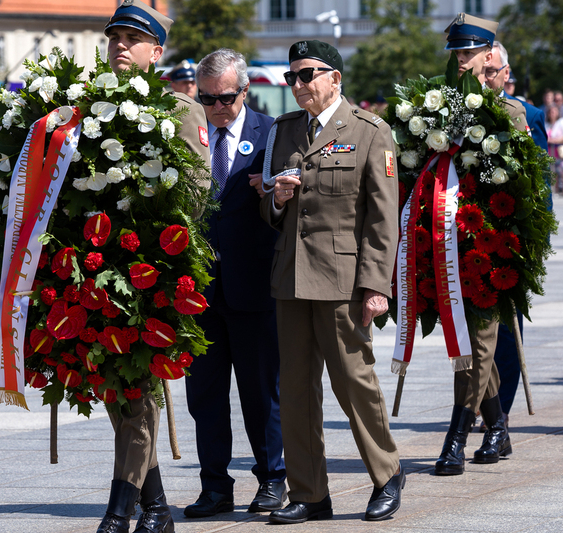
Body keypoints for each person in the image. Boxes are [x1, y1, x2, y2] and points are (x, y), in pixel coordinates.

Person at [261, 39, 404, 524]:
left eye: (307, 75)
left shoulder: (369, 131)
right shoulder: (284, 130)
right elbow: (269, 208)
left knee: (354, 383)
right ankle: (309, 492)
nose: (298, 84)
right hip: (291, 278)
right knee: (296, 391)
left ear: (334, 79)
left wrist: (377, 286)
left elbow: (383, 219)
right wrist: (276, 199)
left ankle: (387, 474)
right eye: (292, 76)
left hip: (343, 282)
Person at [97, 2, 211, 533]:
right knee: (116, 387)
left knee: (137, 386)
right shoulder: (90, 106)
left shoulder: (180, 109)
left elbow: (197, 191)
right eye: (114, 37)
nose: (120, 45)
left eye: (132, 39)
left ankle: (119, 511)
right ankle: (158, 506)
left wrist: (147, 219)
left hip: (151, 268)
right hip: (99, 268)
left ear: (156, 52)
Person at [183, 48, 286, 518]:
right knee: (204, 396)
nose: (217, 107)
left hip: (255, 285)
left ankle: (272, 478)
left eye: (225, 97)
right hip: (200, 291)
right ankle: (215, 486)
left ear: (245, 90)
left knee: (261, 393)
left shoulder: (272, 133)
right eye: (207, 99)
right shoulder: (189, 135)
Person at [432, 13, 518, 477]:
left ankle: (457, 437)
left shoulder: (509, 114)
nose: (461, 60)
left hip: (489, 246)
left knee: (478, 342)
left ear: (489, 55)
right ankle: (498, 426)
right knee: (465, 338)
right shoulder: (439, 110)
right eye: (457, 53)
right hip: (445, 241)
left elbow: (522, 188)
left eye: (469, 52)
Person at [484, 41, 548, 425]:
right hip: (467, 233)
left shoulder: (528, 114)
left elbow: (541, 179)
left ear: (506, 73)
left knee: (507, 330)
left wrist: (537, 238)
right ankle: (481, 403)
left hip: (509, 235)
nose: (485, 77)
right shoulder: (450, 114)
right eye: (478, 71)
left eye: (491, 71)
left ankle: (501, 411)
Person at [546, 105, 563, 194]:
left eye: (554, 111)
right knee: (553, 170)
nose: (552, 114)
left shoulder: (562, 121)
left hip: (560, 150)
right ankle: (555, 189)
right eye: (550, 112)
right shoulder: (547, 124)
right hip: (550, 151)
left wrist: (553, 140)